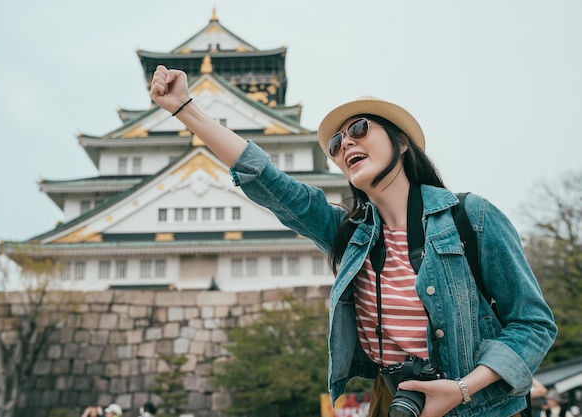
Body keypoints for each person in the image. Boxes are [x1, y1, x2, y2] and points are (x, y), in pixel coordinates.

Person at [149, 65, 557, 417]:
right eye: (336, 142)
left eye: (359, 129)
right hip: (393, 400)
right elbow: (268, 181)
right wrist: (186, 109)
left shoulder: (472, 218)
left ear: (401, 143)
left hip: (476, 404)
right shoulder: (349, 235)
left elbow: (533, 324)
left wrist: (462, 388)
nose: (346, 143)